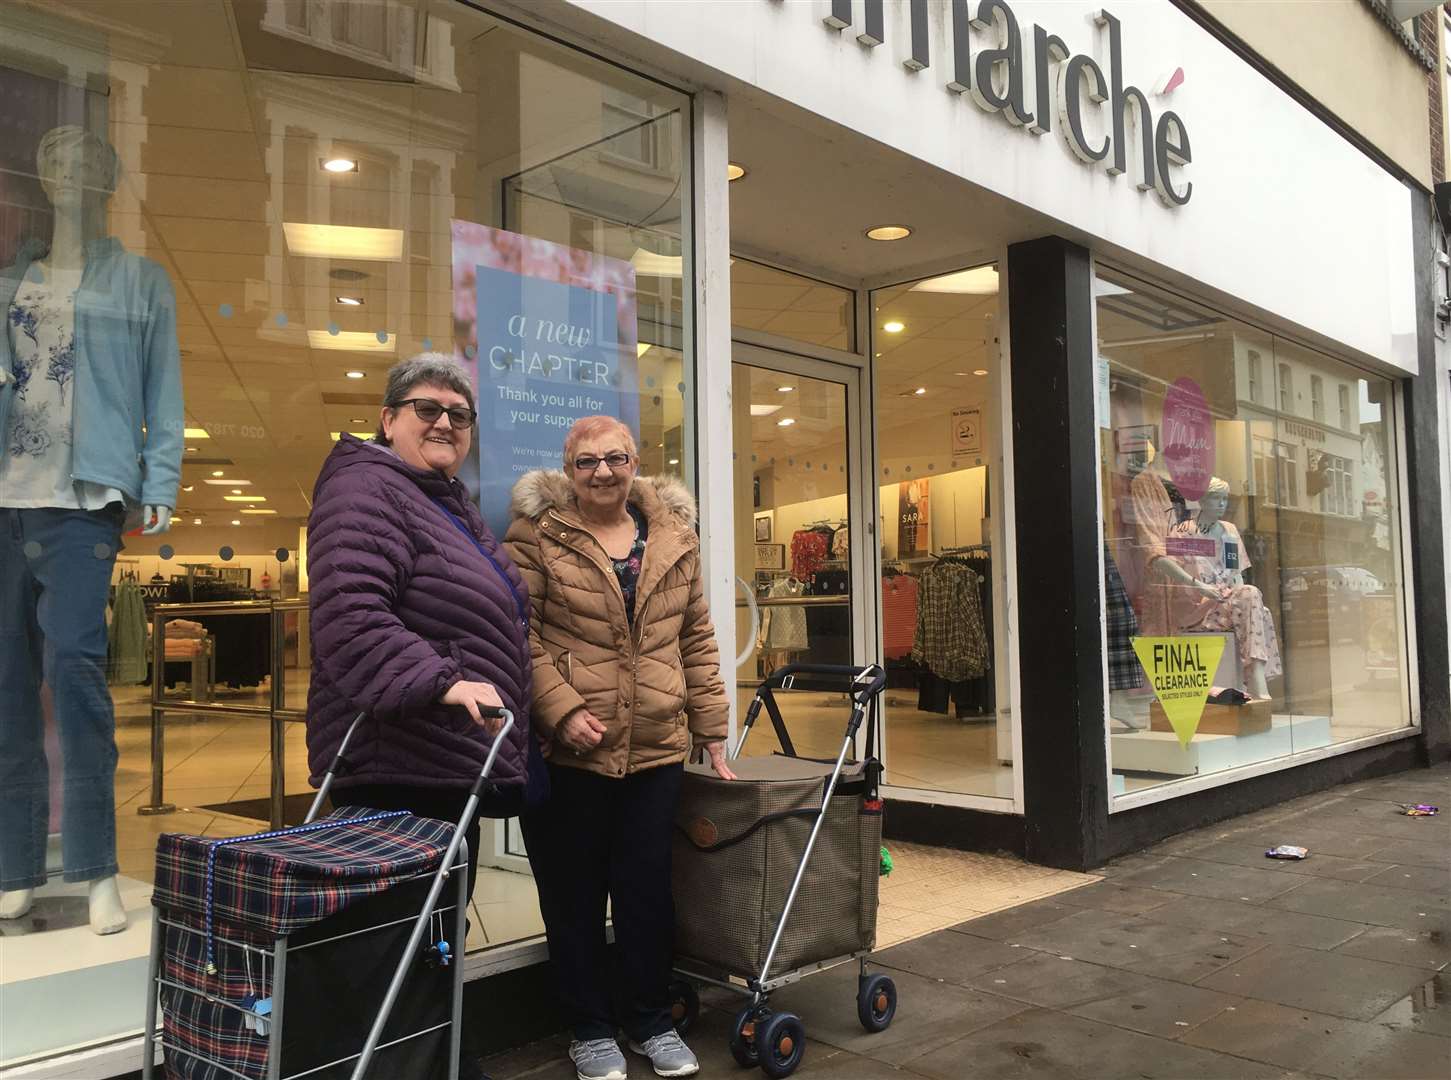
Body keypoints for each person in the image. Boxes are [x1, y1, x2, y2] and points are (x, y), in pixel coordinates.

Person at [505, 416, 733, 1080]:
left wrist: (712, 726)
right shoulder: (536, 537)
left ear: (637, 462)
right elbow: (519, 636)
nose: (602, 471)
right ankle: (588, 1029)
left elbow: (695, 635)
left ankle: (649, 1020)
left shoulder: (672, 537)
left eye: (615, 458)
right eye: (586, 461)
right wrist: (561, 707)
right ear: (567, 469)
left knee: (645, 894)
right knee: (572, 894)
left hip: (655, 750)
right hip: (569, 751)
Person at [305, 352, 544, 912]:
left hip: (446, 757)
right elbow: (350, 615)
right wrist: (445, 683)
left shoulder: (441, 500)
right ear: (389, 420)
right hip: (401, 761)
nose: (445, 423)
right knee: (399, 950)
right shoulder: (365, 491)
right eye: (427, 408)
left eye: (459, 415)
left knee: (436, 941)